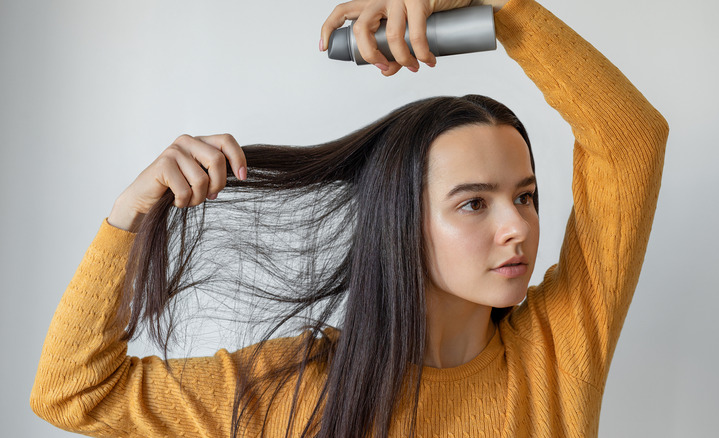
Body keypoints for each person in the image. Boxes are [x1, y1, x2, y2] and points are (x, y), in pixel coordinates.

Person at [30, 0, 669, 436]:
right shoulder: (290, 391)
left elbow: (631, 143)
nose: (519, 228)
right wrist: (130, 217)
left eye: (525, 196)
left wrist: (502, 9)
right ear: (400, 223)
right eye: (474, 202)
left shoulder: (558, 347)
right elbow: (71, 391)